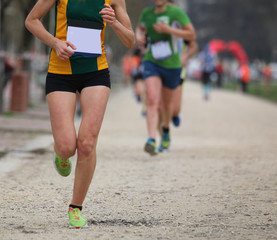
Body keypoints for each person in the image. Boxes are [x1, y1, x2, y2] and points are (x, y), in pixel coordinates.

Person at [25, 0, 134, 228]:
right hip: (61, 71)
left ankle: (76, 207)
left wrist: (114, 23)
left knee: (87, 143)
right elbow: (31, 20)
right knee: (67, 146)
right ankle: (60, 153)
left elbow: (130, 40)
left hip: (96, 72)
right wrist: (55, 43)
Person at [136, 0, 196, 155]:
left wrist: (169, 30)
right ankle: (151, 139)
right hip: (152, 61)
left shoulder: (176, 13)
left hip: (172, 65)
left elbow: (192, 36)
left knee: (169, 106)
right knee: (153, 100)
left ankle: (166, 129)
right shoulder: (147, 14)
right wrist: (139, 36)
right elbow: (140, 28)